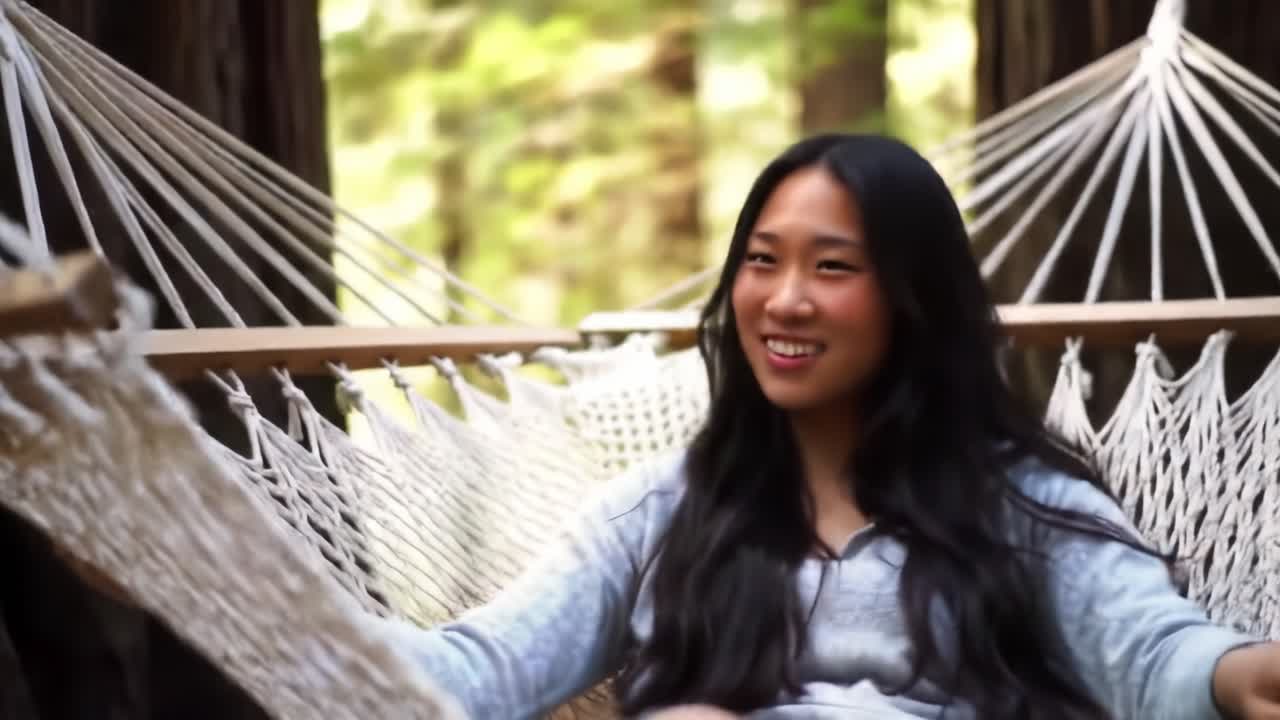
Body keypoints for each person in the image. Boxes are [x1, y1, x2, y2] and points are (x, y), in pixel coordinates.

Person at [365, 134, 1280, 719]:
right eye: (762, 262)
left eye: (832, 267)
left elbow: (1153, 649)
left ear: (912, 300)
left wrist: (1233, 674)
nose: (785, 301)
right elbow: (482, 668)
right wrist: (276, 615)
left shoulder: (1019, 509)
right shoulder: (663, 515)